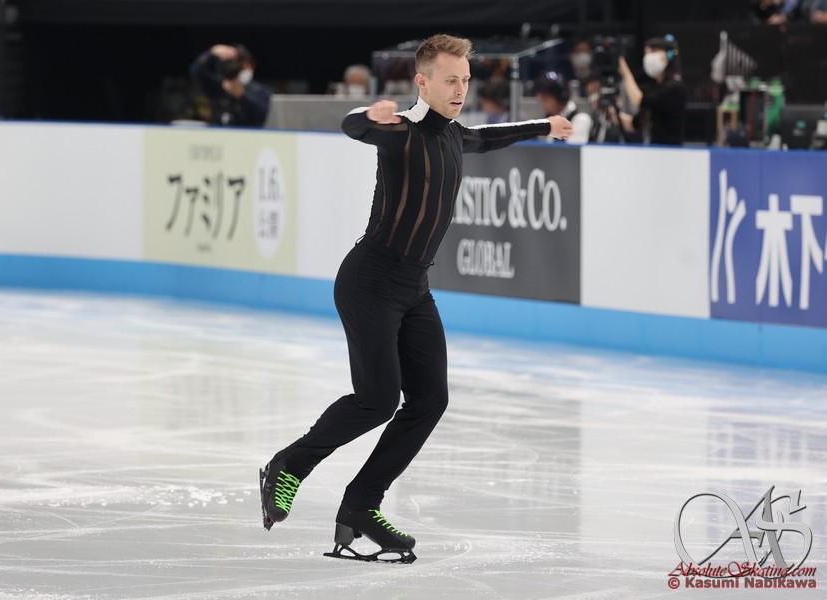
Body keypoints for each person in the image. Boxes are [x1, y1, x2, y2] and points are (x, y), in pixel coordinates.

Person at [259, 33, 572, 564]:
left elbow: (486, 137)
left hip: (414, 288)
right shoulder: (400, 130)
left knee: (430, 399)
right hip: (369, 281)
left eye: (465, 80)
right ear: (422, 83)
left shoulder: (455, 134)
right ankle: (289, 465)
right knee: (377, 401)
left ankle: (362, 504)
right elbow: (353, 126)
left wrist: (544, 126)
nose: (461, 90)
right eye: (450, 80)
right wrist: (368, 113)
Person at [616, 35, 687, 146]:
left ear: (668, 55)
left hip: (669, 150)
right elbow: (633, 125)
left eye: (653, 51)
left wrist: (625, 73)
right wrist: (616, 114)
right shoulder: (655, 87)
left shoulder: (674, 87)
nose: (648, 57)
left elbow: (640, 101)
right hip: (652, 148)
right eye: (646, 53)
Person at [189, 44, 272, 127]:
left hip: (248, 133)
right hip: (217, 133)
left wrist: (241, 95)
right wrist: (211, 52)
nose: (237, 70)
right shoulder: (218, 86)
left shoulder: (261, 91)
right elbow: (197, 71)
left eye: (243, 66)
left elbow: (263, 113)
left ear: (252, 65)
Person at [533, 71, 593, 144]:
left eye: (545, 100)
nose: (543, 106)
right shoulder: (549, 121)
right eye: (540, 101)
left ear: (560, 97)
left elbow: (572, 149)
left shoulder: (580, 120)